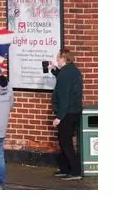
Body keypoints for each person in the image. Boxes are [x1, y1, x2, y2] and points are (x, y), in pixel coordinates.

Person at [49, 50, 84, 180]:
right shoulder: (73, 70)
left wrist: (59, 117)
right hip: (74, 112)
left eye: (58, 58)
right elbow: (66, 84)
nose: (57, 59)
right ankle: (65, 169)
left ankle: (75, 171)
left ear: (63, 58)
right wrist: (55, 71)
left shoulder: (65, 74)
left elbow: (64, 97)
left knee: (65, 142)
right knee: (64, 141)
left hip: (67, 113)